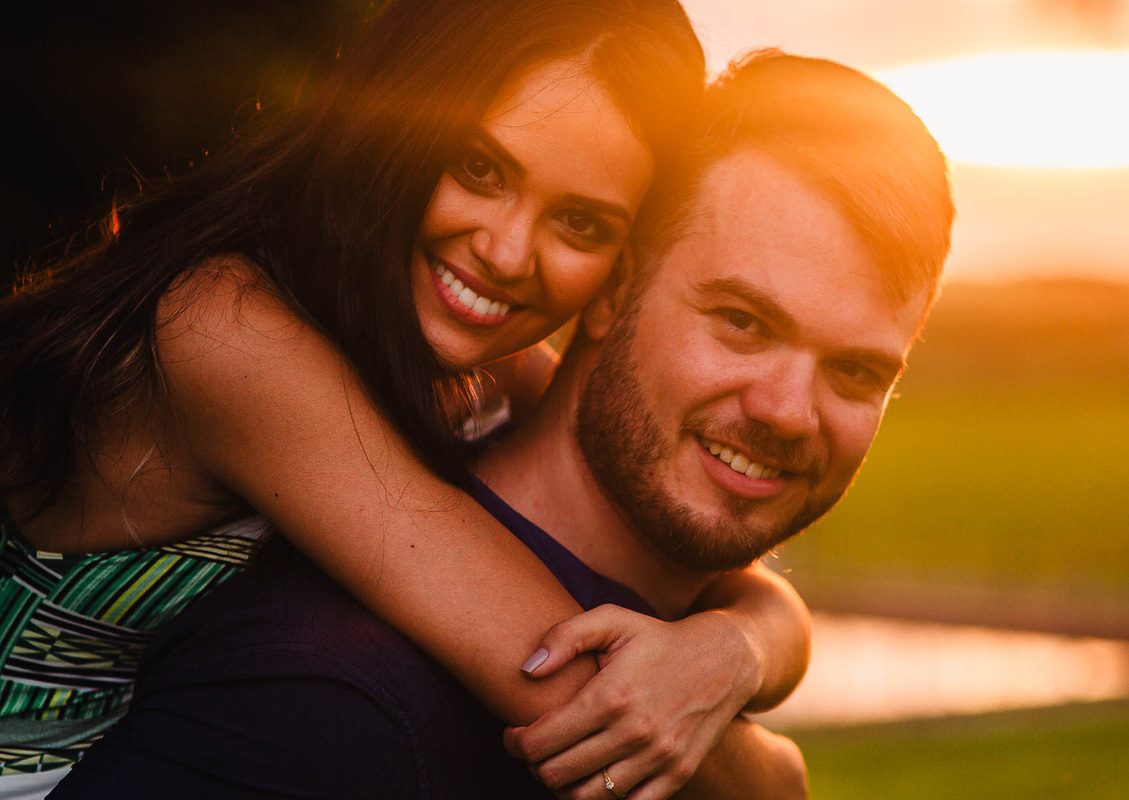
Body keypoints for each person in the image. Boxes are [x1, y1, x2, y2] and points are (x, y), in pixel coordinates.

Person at [47, 51, 954, 800]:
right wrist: (766, 780)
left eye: (857, 370)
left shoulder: (492, 389)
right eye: (742, 321)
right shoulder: (335, 708)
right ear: (613, 290)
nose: (788, 411)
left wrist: (743, 647)